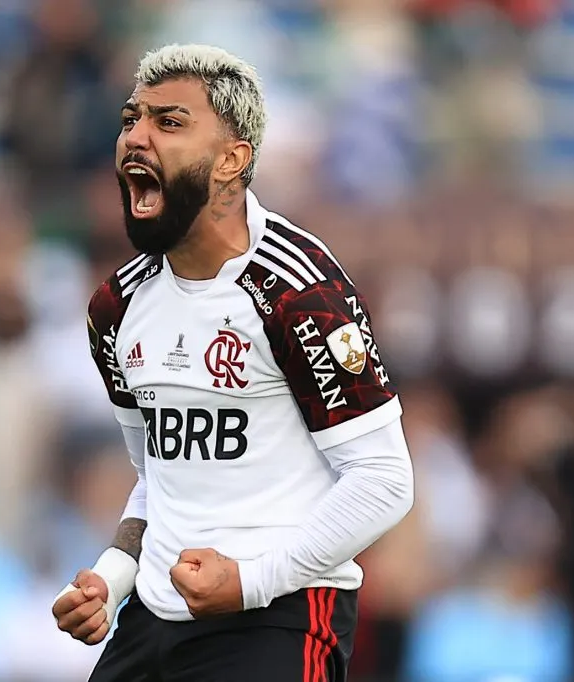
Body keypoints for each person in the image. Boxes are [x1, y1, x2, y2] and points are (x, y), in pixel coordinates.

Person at [51, 43, 415, 682]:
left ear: (231, 160)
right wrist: (111, 578)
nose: (136, 138)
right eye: (131, 118)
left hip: (279, 616)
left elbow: (384, 480)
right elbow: (158, 484)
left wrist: (251, 582)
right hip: (154, 618)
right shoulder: (116, 307)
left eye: (169, 123)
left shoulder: (299, 293)